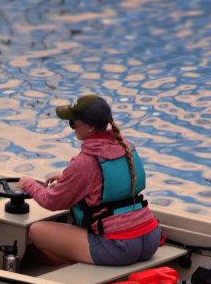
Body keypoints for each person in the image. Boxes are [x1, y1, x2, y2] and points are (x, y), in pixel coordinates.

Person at [17, 95, 161, 266]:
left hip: (118, 247)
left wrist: (28, 184)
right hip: (151, 237)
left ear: (91, 128)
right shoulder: (125, 146)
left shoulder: (84, 162)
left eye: (73, 123)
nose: (72, 128)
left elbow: (51, 201)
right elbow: (113, 183)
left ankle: (74, 267)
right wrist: (68, 179)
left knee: (35, 231)